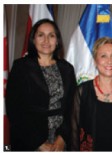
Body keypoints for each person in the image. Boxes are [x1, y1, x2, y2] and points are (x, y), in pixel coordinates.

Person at [6, 19, 77, 151]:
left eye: (51, 35)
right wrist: (38, 143)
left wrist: (62, 138)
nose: (46, 40)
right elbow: (14, 109)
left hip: (60, 139)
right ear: (33, 39)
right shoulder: (21, 67)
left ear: (57, 41)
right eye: (41, 35)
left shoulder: (67, 69)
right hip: (28, 139)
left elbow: (71, 107)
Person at [70, 37, 112, 151]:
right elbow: (73, 132)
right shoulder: (82, 91)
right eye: (103, 56)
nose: (109, 61)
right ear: (95, 61)